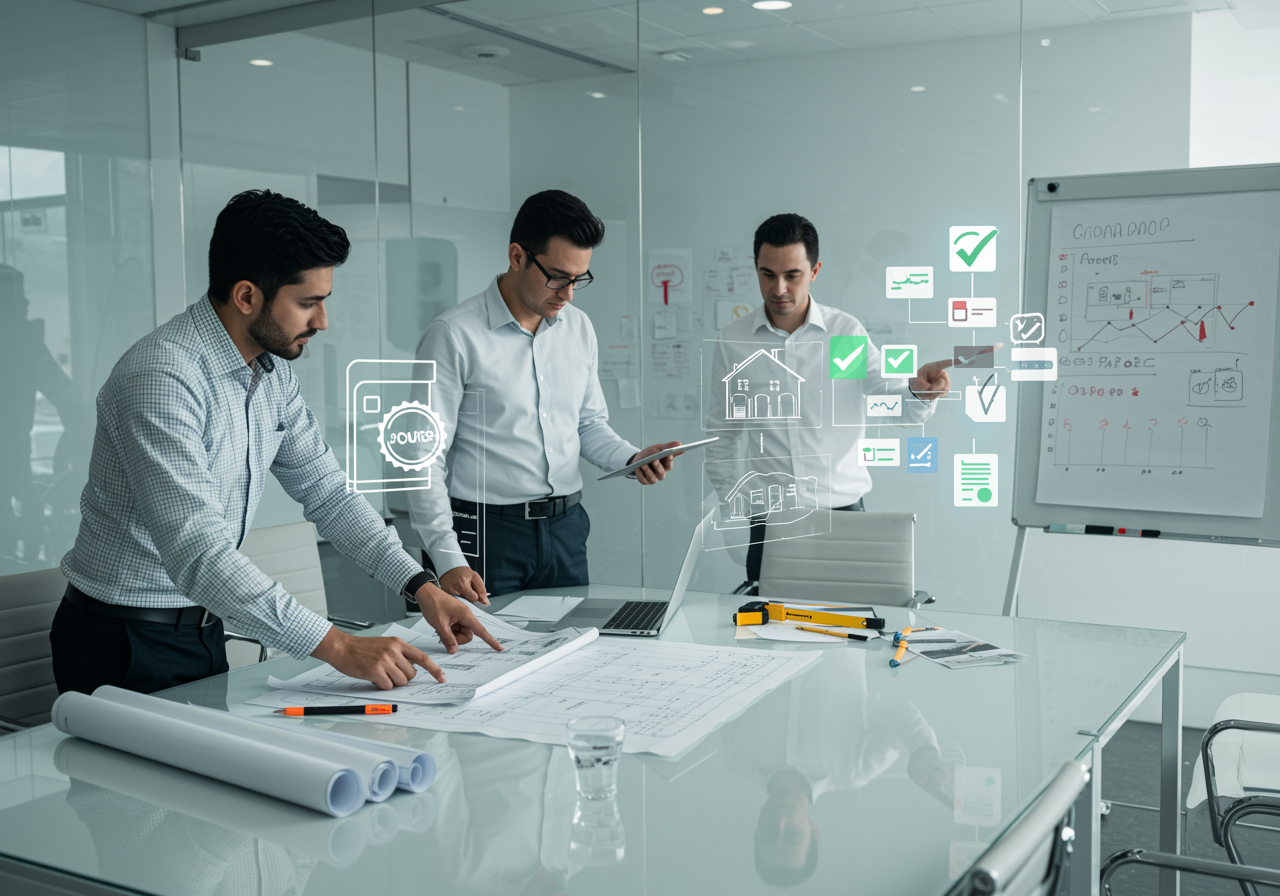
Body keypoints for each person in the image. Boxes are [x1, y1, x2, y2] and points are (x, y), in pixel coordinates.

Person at [52, 190, 499, 697]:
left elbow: (329, 494)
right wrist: (339, 646)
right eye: (308, 303)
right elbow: (199, 552)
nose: (322, 321)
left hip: (202, 628)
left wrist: (420, 586)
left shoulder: (269, 373)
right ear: (247, 297)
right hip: (123, 641)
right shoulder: (163, 378)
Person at [408, 190, 680, 602]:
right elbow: (422, 458)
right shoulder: (453, 335)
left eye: (579, 279)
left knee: (576, 641)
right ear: (517, 256)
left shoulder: (579, 328)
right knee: (484, 645)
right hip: (482, 535)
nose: (568, 293)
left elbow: (587, 425)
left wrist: (632, 458)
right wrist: (447, 558)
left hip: (565, 530)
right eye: (558, 276)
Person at [705, 213, 953, 590]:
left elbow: (892, 404)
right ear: (756, 268)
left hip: (844, 516)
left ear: (815, 270)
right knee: (768, 622)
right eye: (768, 274)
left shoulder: (842, 335)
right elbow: (722, 435)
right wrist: (733, 506)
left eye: (793, 275)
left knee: (851, 620)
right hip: (771, 519)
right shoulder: (736, 341)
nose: (779, 289)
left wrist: (920, 392)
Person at [0, 264, 90, 573]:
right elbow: (67, 397)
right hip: (14, 454)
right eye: (17, 296)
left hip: (15, 454)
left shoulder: (23, 344)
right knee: (23, 524)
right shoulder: (23, 345)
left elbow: (67, 397)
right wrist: (87, 434)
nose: (26, 303)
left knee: (20, 524)